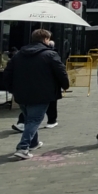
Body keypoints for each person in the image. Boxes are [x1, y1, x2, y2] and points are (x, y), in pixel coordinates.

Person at [8, 29, 69, 160]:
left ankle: (33, 143)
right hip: (42, 93)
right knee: (34, 120)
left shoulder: (18, 55)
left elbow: (8, 72)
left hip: (21, 93)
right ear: (46, 39)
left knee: (29, 118)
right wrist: (65, 85)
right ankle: (23, 147)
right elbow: (61, 71)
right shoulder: (50, 54)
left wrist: (10, 88)